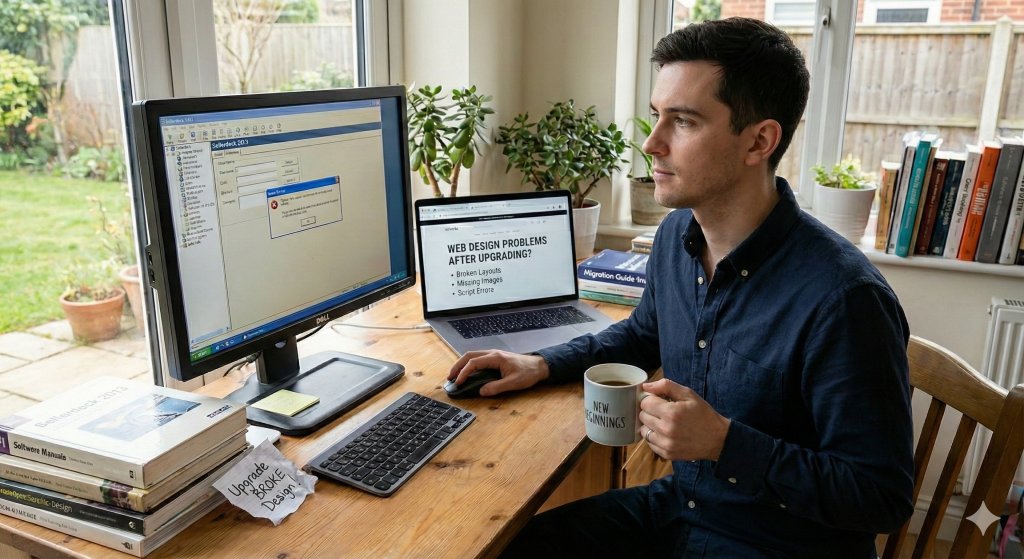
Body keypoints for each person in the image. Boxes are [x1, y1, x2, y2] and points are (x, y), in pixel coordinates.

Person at [447, 17, 915, 559]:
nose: (651, 143)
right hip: (683, 507)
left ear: (759, 141)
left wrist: (724, 443)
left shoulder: (846, 299)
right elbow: (642, 336)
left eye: (684, 121)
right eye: (656, 116)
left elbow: (881, 497)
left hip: (778, 544)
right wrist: (541, 364)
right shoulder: (675, 237)